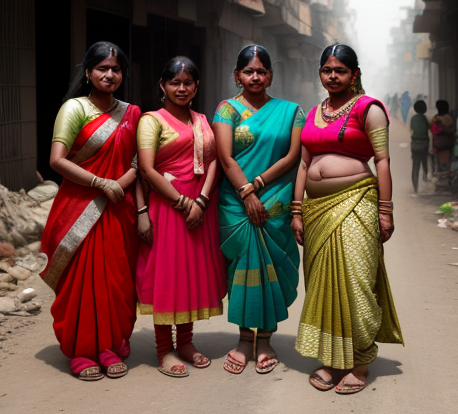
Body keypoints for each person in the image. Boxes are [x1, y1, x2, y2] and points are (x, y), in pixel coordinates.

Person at [292, 44, 403, 395]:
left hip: (357, 204)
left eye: (340, 70)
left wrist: (385, 210)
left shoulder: (369, 109)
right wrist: (297, 210)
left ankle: (360, 361)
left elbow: (382, 161)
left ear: (354, 73)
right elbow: (305, 163)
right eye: (327, 70)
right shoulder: (313, 113)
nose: (333, 76)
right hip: (317, 209)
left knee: (355, 281)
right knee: (322, 285)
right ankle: (330, 359)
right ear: (320, 73)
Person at [40, 42, 141, 381]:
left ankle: (111, 343)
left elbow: (137, 163)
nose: (109, 74)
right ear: (88, 72)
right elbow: (57, 160)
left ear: (123, 74)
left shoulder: (132, 113)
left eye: (115, 69)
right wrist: (100, 182)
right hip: (79, 208)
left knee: (116, 280)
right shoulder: (74, 109)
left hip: (118, 208)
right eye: (102, 68)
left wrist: (120, 184)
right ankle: (83, 349)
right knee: (81, 281)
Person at [212, 44, 305, 375]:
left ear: (271, 75)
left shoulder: (292, 111)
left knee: (272, 273)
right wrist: (246, 194)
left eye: (261, 71)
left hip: (275, 202)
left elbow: (293, 157)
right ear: (236, 75)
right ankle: (242, 340)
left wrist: (259, 186)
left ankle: (264, 340)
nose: (255, 77)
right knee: (242, 271)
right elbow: (225, 158)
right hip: (237, 204)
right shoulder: (227, 110)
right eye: (248, 71)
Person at [136, 57, 227, 378]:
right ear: (163, 85)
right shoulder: (152, 121)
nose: (182, 88)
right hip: (167, 206)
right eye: (175, 82)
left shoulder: (202, 119)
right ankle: (164, 350)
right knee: (167, 276)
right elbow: (146, 169)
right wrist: (183, 202)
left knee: (187, 276)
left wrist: (201, 201)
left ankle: (186, 342)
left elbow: (215, 159)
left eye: (188, 82)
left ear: (196, 86)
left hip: (199, 207)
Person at [410, 99, 430, 194]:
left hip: (415, 145)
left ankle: (415, 188)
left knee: (415, 166)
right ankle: (426, 178)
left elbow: (411, 131)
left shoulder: (413, 118)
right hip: (424, 145)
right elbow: (429, 129)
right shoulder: (425, 119)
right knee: (424, 162)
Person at [430, 99, 454, 172]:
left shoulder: (435, 118)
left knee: (438, 163)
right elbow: (451, 129)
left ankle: (439, 177)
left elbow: (432, 130)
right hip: (447, 143)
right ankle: (446, 178)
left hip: (437, 144)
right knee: (447, 164)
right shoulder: (449, 118)